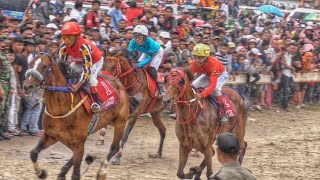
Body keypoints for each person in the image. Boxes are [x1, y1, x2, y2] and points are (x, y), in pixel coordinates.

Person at [59, 22, 103, 113]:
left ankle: (97, 102)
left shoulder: (83, 47)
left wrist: (77, 85)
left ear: (77, 37)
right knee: (69, 70)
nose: (67, 41)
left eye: (70, 38)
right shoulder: (63, 46)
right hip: (79, 61)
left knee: (91, 79)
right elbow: (61, 64)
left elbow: (87, 69)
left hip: (95, 61)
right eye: (64, 37)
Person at [189, 43, 229, 122]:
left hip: (221, 74)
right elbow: (190, 78)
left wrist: (202, 94)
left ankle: (223, 112)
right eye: (195, 57)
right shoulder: (194, 63)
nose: (197, 60)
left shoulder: (213, 64)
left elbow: (213, 85)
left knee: (216, 89)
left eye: (200, 57)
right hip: (208, 74)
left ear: (206, 57)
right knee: (193, 85)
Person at [128, 25, 164, 96]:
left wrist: (139, 65)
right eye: (135, 37)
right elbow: (130, 55)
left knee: (151, 68)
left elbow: (149, 58)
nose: (137, 40)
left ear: (145, 37)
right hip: (146, 51)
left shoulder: (150, 42)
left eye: (139, 37)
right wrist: (132, 62)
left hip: (157, 52)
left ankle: (161, 87)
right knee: (138, 65)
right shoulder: (132, 42)